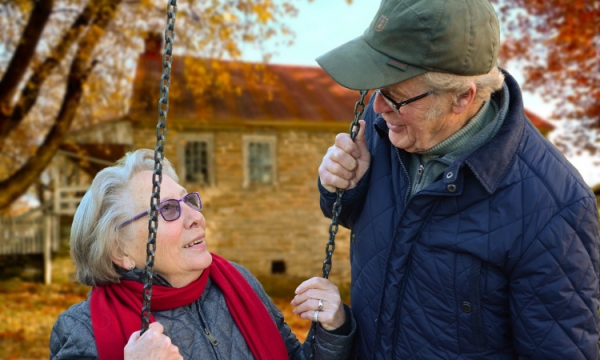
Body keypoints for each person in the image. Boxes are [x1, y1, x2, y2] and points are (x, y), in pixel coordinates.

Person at [315, 0, 600, 359]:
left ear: (462, 97)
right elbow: (356, 218)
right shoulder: (383, 131)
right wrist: (341, 188)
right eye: (377, 88)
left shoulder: (554, 207)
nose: (378, 107)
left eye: (395, 96)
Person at [50, 148, 355, 360]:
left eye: (188, 201)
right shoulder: (82, 329)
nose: (195, 216)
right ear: (120, 251)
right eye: (167, 209)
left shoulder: (237, 283)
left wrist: (332, 330)